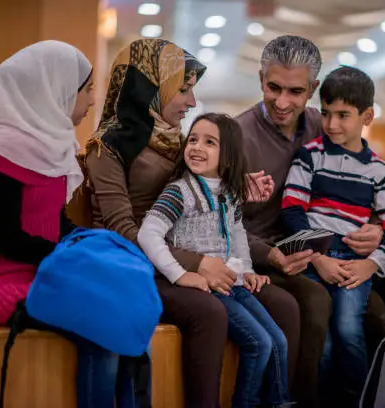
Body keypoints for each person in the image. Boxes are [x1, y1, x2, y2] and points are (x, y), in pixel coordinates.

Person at [84, 38, 299, 408]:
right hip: (137, 264)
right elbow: (122, 228)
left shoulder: (178, 143)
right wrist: (197, 265)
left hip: (184, 254)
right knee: (209, 310)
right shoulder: (107, 148)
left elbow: (211, 217)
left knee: (284, 304)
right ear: (150, 87)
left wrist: (265, 253)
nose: (192, 102)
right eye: (182, 89)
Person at [0, 41, 145, 408]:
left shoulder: (53, 142)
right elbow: (6, 240)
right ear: (55, 87)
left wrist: (97, 245)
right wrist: (79, 259)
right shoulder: (2, 147)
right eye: (88, 89)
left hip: (43, 271)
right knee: (106, 326)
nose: (93, 100)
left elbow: (53, 222)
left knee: (133, 314)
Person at [237, 35, 384, 408]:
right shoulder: (236, 136)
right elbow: (219, 221)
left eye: (295, 91)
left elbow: (371, 181)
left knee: (377, 309)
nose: (282, 102)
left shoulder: (327, 126)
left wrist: (378, 228)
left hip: (322, 250)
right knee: (317, 302)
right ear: (260, 79)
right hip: (259, 254)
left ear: (313, 90)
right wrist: (287, 256)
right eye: (273, 87)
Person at [138, 113, 292, 408]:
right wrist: (180, 275)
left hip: (230, 281)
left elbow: (237, 234)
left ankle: (278, 401)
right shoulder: (180, 191)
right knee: (258, 344)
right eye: (193, 139)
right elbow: (148, 234)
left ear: (229, 156)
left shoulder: (228, 192)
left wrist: (247, 270)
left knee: (278, 343)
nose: (197, 147)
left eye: (210, 143)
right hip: (206, 287)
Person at [281, 66, 385, 407]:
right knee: (324, 342)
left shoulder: (378, 170)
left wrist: (371, 266)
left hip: (355, 263)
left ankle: (358, 400)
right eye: (327, 113)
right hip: (315, 255)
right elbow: (292, 211)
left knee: (349, 330)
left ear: (367, 116)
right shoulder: (310, 155)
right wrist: (317, 258)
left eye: (343, 115)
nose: (332, 124)